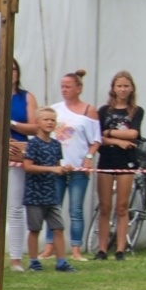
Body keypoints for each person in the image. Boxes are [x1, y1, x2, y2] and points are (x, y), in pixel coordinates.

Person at [0, 58, 37, 272]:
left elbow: (34, 126)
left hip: (17, 156)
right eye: (6, 69)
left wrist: (11, 126)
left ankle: (15, 258)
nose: (10, 73)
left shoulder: (26, 97)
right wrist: (1, 139)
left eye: (14, 69)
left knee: (14, 208)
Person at [49, 70, 101, 262]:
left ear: (78, 88)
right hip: (58, 166)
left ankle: (76, 248)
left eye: (68, 87)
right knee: (54, 207)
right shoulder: (55, 109)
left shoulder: (89, 111)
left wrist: (89, 157)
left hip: (78, 166)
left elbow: (96, 139)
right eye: (62, 86)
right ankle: (50, 246)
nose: (64, 90)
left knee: (76, 209)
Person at [93, 70, 142, 261]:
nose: (122, 89)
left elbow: (133, 134)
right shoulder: (104, 111)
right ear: (113, 88)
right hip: (106, 160)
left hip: (126, 162)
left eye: (125, 86)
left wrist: (110, 134)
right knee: (105, 206)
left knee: (122, 207)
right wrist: (116, 141)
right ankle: (102, 248)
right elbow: (98, 138)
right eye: (119, 86)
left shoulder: (136, 111)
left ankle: (121, 249)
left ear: (131, 89)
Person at [21, 108, 76, 273]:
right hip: (34, 194)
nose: (50, 122)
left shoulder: (56, 145)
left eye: (53, 120)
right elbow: (28, 167)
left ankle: (61, 262)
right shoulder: (33, 144)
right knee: (35, 229)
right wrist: (51, 169)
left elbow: (56, 166)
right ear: (38, 122)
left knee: (58, 228)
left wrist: (63, 168)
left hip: (51, 194)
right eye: (46, 119)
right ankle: (33, 261)